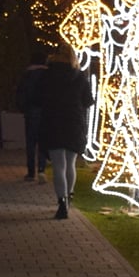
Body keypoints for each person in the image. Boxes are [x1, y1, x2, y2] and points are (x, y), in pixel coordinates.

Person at [35, 47, 95, 220]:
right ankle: (69, 196)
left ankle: (62, 203)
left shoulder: (46, 76)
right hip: (73, 123)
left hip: (52, 122)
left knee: (58, 165)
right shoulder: (80, 77)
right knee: (70, 164)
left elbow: (38, 98)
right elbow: (88, 101)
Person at [13, 47, 49, 180]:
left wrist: (23, 107)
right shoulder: (48, 75)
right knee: (43, 141)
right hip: (45, 112)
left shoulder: (27, 75)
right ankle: (41, 169)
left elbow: (20, 93)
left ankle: (30, 172)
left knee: (30, 142)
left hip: (31, 111)